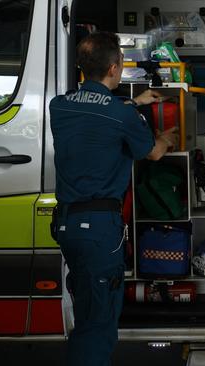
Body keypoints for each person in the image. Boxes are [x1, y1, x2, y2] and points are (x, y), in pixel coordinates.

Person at [49, 31, 177, 366]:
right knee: (98, 324)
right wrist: (165, 138)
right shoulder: (121, 116)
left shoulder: (59, 107)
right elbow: (151, 154)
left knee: (88, 309)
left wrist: (135, 103)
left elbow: (96, 112)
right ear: (114, 68)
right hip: (99, 230)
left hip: (68, 226)